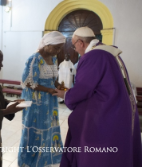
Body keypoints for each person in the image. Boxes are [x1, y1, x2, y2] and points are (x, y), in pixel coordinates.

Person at [53, 27, 142, 167]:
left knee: (97, 152)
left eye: (74, 45)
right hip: (121, 109)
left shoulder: (93, 56)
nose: (74, 49)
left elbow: (83, 89)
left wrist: (66, 95)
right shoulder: (110, 52)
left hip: (107, 114)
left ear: (81, 42)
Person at [18, 31, 66, 167]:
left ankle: (45, 158)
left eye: (60, 48)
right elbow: (27, 82)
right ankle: (29, 159)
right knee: (35, 128)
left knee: (48, 127)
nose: (58, 51)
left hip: (50, 101)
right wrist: (47, 90)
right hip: (35, 101)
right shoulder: (35, 59)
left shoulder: (54, 59)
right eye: (56, 47)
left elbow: (52, 79)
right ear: (47, 45)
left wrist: (58, 86)